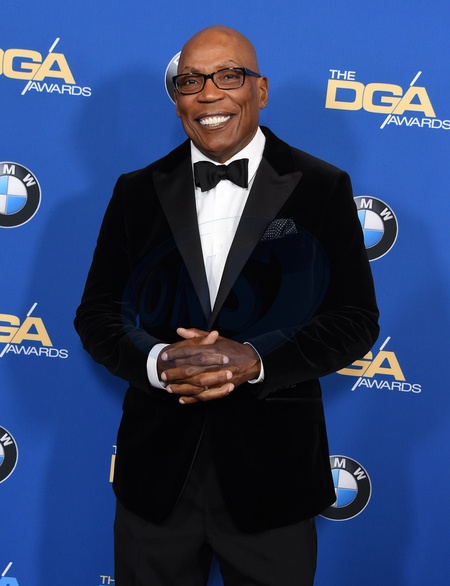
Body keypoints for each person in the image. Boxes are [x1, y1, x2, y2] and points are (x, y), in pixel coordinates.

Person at [74, 25, 379, 586]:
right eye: (190, 81)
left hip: (275, 477)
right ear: (177, 101)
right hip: (156, 478)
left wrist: (256, 360)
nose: (209, 93)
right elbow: (96, 314)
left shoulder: (321, 187)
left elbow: (354, 320)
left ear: (260, 90)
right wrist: (159, 362)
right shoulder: (135, 191)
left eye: (228, 76)